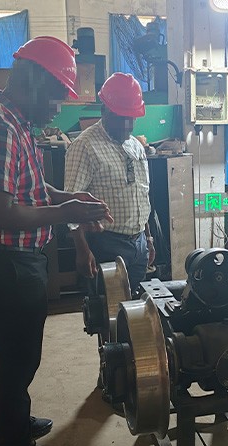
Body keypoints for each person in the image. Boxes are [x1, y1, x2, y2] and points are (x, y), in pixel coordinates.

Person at [0, 36, 112, 446]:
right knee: (18, 356)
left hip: (2, 259)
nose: (58, 109)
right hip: (2, 261)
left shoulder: (13, 121)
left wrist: (70, 198)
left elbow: (31, 189)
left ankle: (7, 426)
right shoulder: (0, 128)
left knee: (10, 352)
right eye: (56, 96)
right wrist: (67, 213)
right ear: (35, 83)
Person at [64, 72, 154, 293]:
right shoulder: (85, 146)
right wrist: (82, 250)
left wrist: (148, 238)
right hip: (106, 244)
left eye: (131, 118)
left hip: (139, 243)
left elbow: (141, 194)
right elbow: (71, 204)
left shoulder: (135, 146)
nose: (127, 125)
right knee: (107, 308)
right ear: (104, 110)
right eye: (121, 118)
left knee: (138, 308)